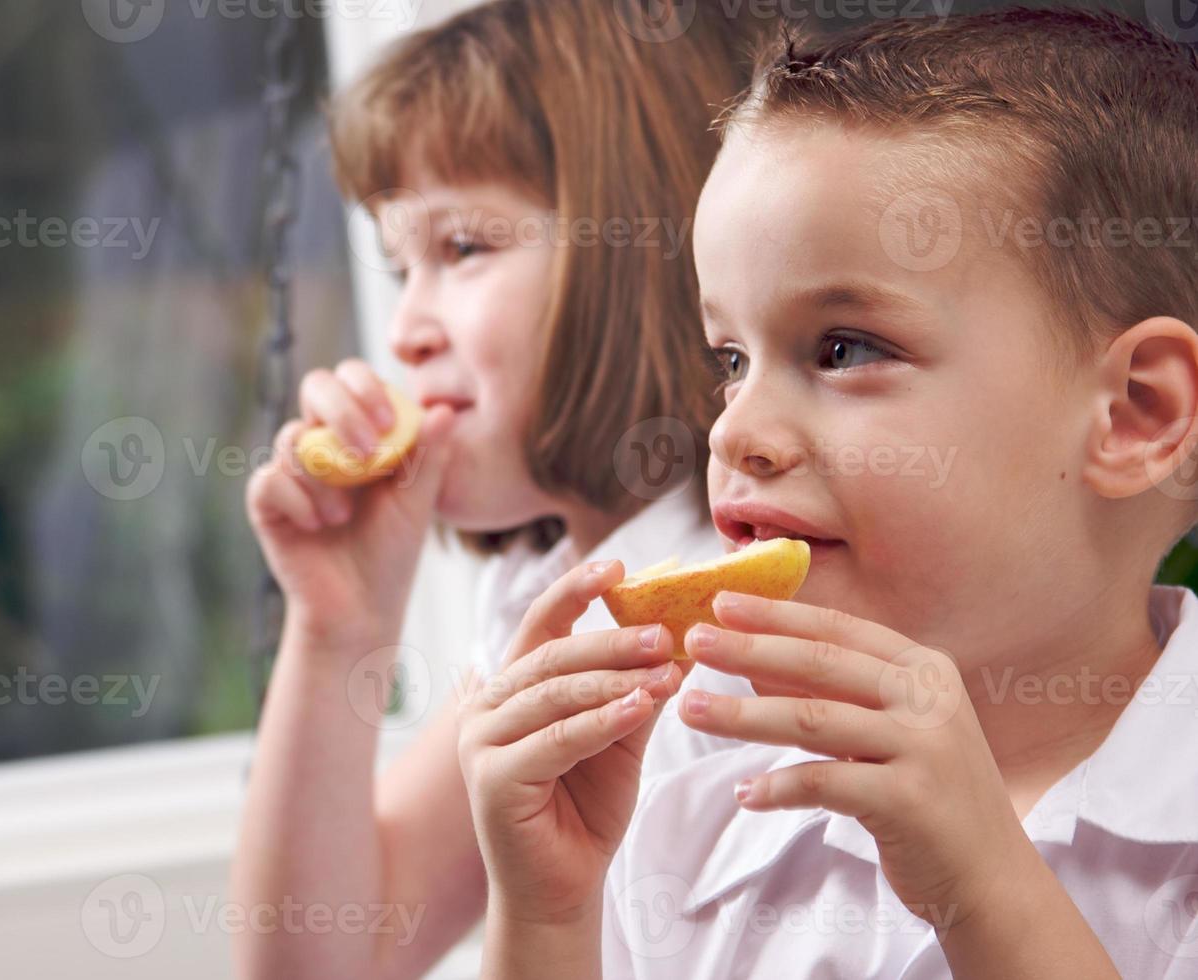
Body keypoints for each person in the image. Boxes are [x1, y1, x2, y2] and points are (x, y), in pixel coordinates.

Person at [459, 8, 1198, 978]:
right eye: (729, 358)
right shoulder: (690, 824)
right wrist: (547, 915)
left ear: (1133, 414)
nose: (730, 432)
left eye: (841, 349)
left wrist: (981, 892)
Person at [232, 1, 754, 976]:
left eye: (461, 248)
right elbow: (327, 960)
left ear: (637, 248)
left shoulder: (746, 590)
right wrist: (337, 624)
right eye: (399, 267)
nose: (404, 331)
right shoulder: (541, 595)